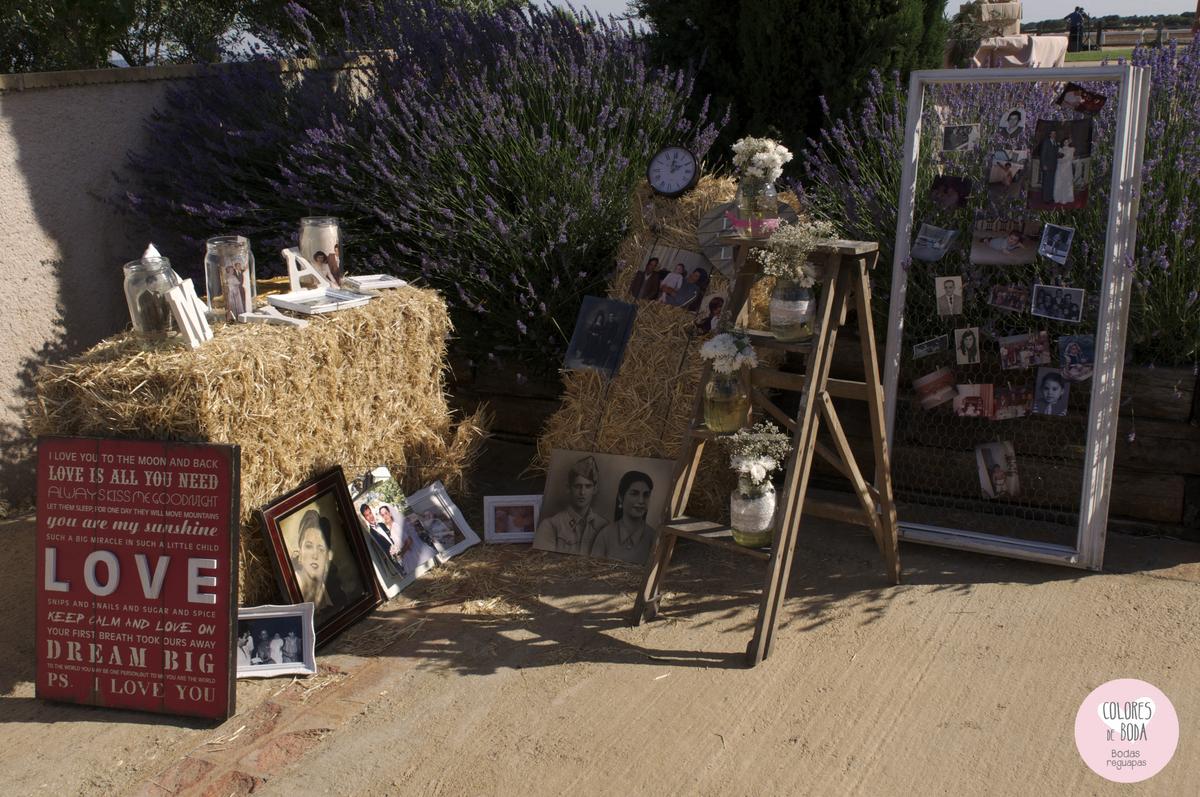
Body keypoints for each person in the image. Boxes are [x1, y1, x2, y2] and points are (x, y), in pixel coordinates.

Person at [533, 455, 608, 554]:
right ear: (569, 488)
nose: (582, 492)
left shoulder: (603, 526)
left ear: (595, 489)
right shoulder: (551, 525)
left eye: (588, 486)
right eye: (577, 486)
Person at [591, 471, 657, 564]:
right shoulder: (605, 535)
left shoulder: (654, 538)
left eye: (646, 495)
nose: (641, 500)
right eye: (634, 494)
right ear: (621, 498)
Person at [291, 509, 344, 614]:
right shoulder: (295, 583)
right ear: (300, 550)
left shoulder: (331, 588)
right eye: (309, 546)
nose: (315, 555)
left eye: (320, 548)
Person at [1038, 128, 1059, 205]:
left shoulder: (1055, 143)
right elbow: (1043, 154)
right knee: (1046, 183)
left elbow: (1055, 154)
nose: (1054, 135)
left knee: (1051, 183)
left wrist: (1061, 155)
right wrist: (1043, 165)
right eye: (1052, 133)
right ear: (1050, 134)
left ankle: (1050, 197)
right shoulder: (1046, 142)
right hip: (1046, 166)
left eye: (1055, 133)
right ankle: (1046, 199)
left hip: (1053, 166)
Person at [1053, 135, 1076, 206]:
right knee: (1059, 182)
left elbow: (1070, 158)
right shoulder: (1060, 149)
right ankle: (1058, 198)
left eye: (1067, 142)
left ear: (1068, 142)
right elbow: (1057, 158)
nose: (1066, 143)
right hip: (1060, 168)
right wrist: (1060, 159)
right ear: (1063, 142)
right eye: (1065, 142)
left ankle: (1066, 198)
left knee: (1067, 182)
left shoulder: (1071, 149)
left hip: (1067, 168)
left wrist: (1064, 159)